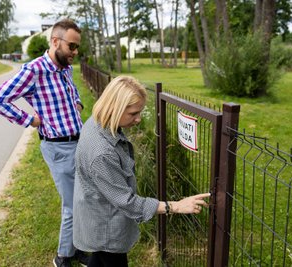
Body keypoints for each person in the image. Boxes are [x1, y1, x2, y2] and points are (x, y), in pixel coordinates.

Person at [73, 75, 210, 267]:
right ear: (114, 108)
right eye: (133, 113)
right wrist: (176, 206)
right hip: (106, 229)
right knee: (109, 259)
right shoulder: (102, 153)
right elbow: (127, 202)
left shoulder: (97, 123)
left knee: (100, 260)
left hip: (98, 217)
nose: (138, 119)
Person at [0, 19, 89, 267]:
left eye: (77, 48)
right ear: (56, 41)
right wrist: (29, 120)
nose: (75, 53)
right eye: (72, 47)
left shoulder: (66, 68)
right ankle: (63, 256)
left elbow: (72, 90)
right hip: (58, 148)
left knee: (83, 199)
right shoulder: (33, 70)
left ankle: (75, 248)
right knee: (72, 205)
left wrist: (77, 103)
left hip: (79, 142)